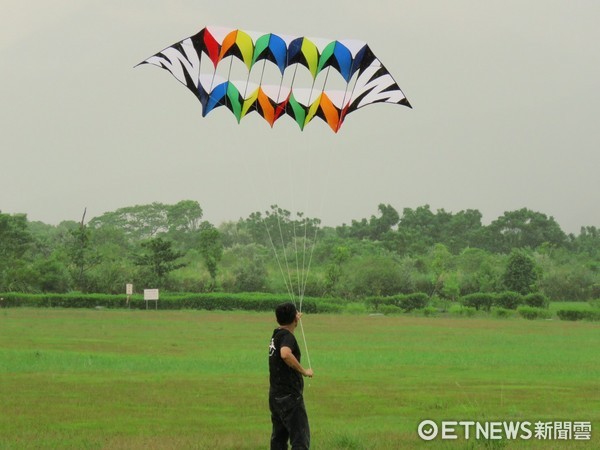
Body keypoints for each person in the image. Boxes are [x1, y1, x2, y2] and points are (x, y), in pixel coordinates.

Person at [268, 302, 314, 449]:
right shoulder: (288, 337)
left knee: (279, 440)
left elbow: (287, 327)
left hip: (275, 396)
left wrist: (295, 318)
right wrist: (304, 371)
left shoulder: (277, 335)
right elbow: (285, 354)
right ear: (294, 320)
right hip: (289, 397)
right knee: (300, 440)